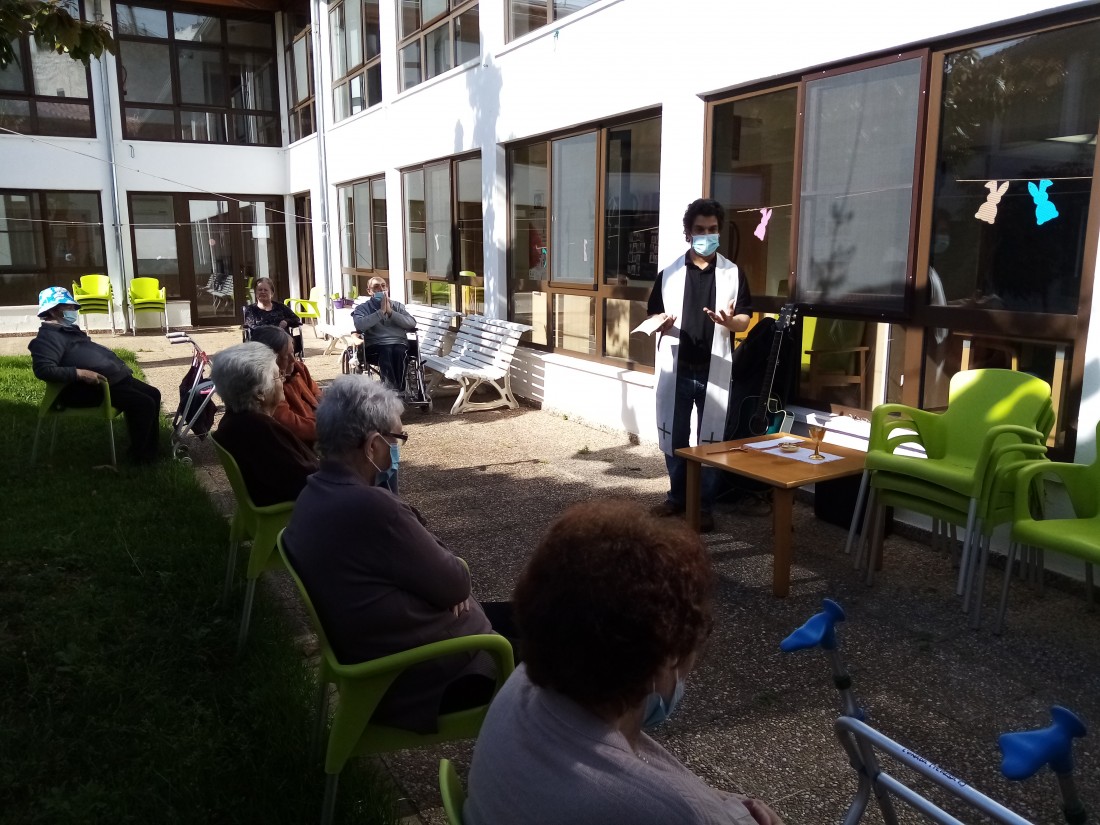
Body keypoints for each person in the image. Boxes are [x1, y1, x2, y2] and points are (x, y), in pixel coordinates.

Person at [464, 500, 783, 825]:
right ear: (665, 658)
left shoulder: (523, 684)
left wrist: (722, 804)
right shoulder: (667, 811)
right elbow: (670, 806)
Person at [282, 375, 514, 733]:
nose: (397, 449)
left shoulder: (314, 492)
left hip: (387, 658)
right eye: (397, 439)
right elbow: (455, 582)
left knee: (537, 614)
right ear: (373, 445)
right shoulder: (373, 508)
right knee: (563, 645)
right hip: (426, 680)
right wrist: (393, 501)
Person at [647, 199, 752, 533]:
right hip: (678, 369)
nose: (707, 235)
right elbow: (653, 313)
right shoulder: (669, 274)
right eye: (700, 230)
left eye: (712, 229)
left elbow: (745, 319)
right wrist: (660, 323)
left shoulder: (733, 273)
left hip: (714, 369)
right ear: (688, 233)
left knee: (712, 441)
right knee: (675, 437)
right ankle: (678, 498)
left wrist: (730, 322)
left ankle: (704, 506)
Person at [28, 286, 162, 464]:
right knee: (144, 404)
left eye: (73, 307)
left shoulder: (68, 330)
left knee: (153, 394)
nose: (73, 310)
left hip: (113, 380)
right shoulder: (47, 338)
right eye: (68, 307)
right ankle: (141, 459)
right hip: (86, 389)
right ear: (52, 310)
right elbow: (43, 369)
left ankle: (151, 449)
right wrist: (79, 373)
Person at [209, 342, 318, 506]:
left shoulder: (234, 420)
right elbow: (310, 484)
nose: (283, 379)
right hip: (298, 512)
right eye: (278, 375)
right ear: (260, 393)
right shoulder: (261, 432)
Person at [247, 325, 322, 446]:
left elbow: (316, 393)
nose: (293, 360)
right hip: (309, 442)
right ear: (270, 360)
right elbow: (294, 427)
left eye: (293, 352)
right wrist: (332, 426)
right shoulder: (270, 388)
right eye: (286, 355)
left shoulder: (299, 369)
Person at [351, 276, 417, 390]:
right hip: (375, 344)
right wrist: (381, 312)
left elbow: (411, 323)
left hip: (399, 343)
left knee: (399, 351)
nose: (381, 289)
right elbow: (360, 326)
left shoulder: (397, 306)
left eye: (383, 286)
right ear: (369, 291)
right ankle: (390, 390)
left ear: (387, 288)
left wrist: (391, 313)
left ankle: (397, 389)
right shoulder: (363, 308)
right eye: (376, 286)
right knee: (386, 350)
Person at [243, 277, 303, 357]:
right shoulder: (250, 309)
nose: (263, 292)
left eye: (266, 290)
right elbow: (251, 325)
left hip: (282, 343)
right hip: (261, 344)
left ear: (272, 293)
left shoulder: (280, 307)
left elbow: (296, 319)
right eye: (260, 290)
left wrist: (286, 321)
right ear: (255, 292)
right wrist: (272, 332)